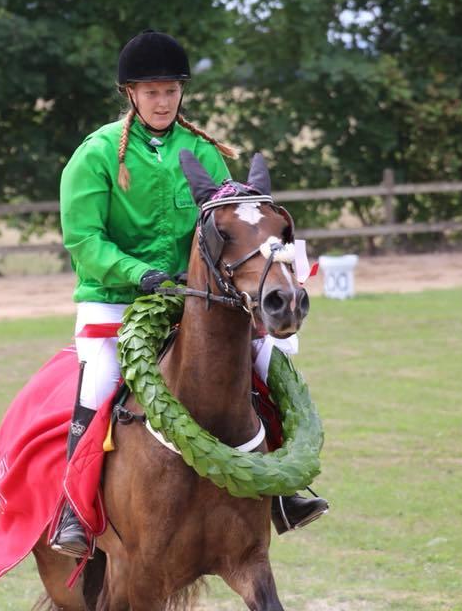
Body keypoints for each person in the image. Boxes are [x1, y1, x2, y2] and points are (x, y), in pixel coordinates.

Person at [53, 30, 328, 558]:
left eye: (171, 90)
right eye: (151, 91)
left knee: (267, 363)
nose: (162, 101)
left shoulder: (203, 152)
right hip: (114, 302)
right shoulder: (96, 155)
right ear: (129, 93)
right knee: (97, 390)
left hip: (195, 301)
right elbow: (85, 241)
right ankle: (74, 512)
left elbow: (227, 232)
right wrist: (141, 275)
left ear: (181, 92)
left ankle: (284, 491)